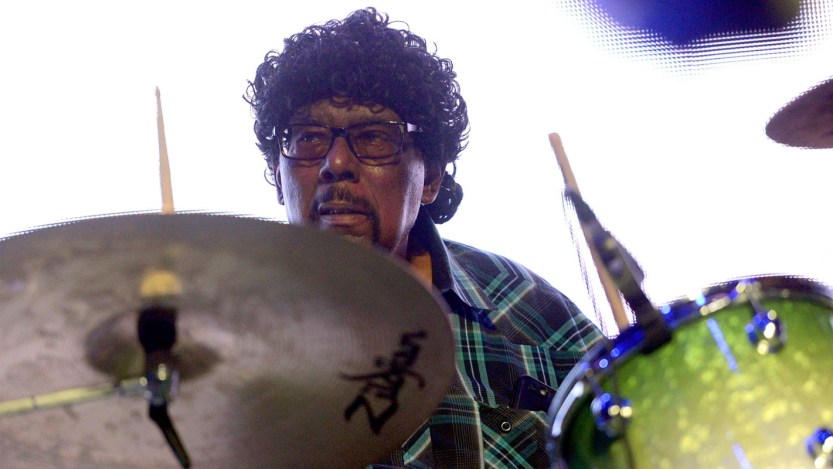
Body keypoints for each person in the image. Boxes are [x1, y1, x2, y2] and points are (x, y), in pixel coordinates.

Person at [244, 8, 603, 468]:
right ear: (279, 174)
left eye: (374, 138)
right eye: (308, 138)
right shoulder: (216, 341)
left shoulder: (527, 309)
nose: (336, 163)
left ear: (430, 177)